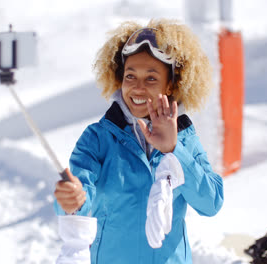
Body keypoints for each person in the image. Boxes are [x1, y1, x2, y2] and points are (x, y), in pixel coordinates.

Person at [54, 19, 224, 264]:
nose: (138, 88)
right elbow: (79, 198)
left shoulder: (185, 138)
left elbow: (211, 203)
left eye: (151, 79)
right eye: (130, 76)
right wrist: (71, 199)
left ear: (172, 84)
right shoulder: (98, 138)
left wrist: (175, 151)